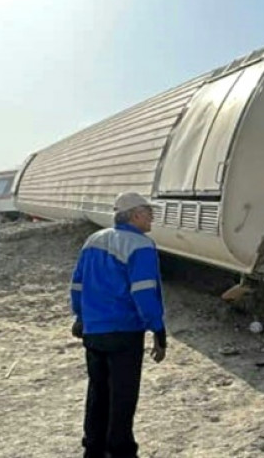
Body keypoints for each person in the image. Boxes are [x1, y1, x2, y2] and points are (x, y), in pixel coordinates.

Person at [70, 192, 167, 458]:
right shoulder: (140, 245)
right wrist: (158, 330)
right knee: (123, 395)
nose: (152, 217)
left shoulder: (93, 241)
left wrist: (79, 316)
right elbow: (144, 292)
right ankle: (121, 450)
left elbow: (77, 284)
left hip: (94, 331)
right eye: (149, 212)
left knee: (98, 391)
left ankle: (93, 448)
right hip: (124, 331)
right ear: (135, 215)